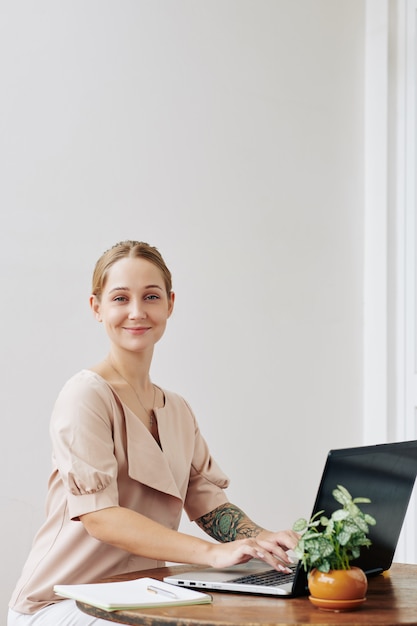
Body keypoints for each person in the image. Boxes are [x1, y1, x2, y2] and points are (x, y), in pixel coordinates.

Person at [8, 240, 298, 625]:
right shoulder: (85, 395)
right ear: (97, 308)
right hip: (64, 603)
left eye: (150, 296)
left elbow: (210, 505)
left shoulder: (176, 409)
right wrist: (211, 555)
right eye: (120, 298)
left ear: (170, 304)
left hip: (140, 599)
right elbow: (101, 517)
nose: (137, 312)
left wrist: (262, 541)